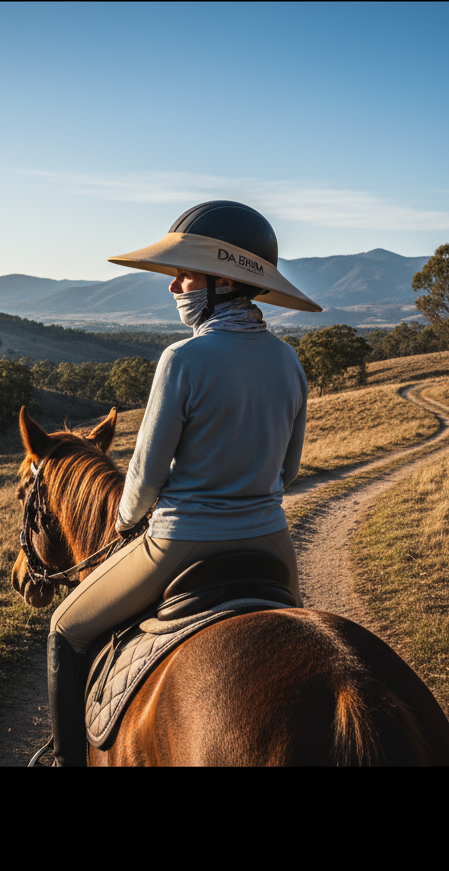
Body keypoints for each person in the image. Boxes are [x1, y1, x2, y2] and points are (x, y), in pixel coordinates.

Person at [46, 200, 322, 765]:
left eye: (185, 274)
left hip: (180, 542)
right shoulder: (290, 361)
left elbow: (144, 478)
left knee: (64, 629)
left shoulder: (183, 359)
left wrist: (125, 521)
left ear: (225, 280)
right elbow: (288, 472)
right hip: (271, 538)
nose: (175, 286)